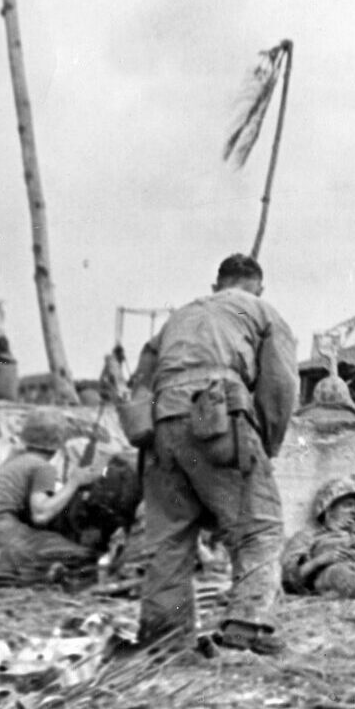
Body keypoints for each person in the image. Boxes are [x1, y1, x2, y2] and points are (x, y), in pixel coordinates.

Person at [127, 253, 297, 656]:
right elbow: (280, 386)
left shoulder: (177, 318)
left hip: (163, 426)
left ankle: (165, 636)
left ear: (216, 286)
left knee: (170, 535)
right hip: (218, 420)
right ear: (258, 287)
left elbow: (140, 382)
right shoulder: (262, 311)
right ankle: (248, 625)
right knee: (260, 526)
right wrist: (266, 447)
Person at [0, 407, 110, 585]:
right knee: (83, 555)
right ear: (59, 440)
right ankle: (14, 570)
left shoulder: (15, 460)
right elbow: (40, 515)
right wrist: (74, 481)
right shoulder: (43, 467)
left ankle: (12, 566)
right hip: (5, 531)